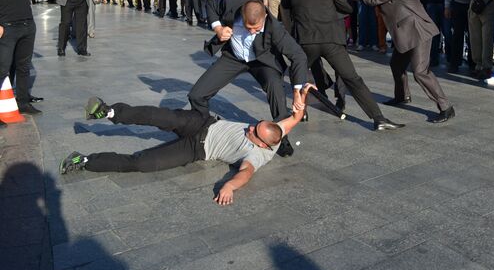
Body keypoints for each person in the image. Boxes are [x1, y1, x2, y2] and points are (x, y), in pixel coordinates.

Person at [59, 85, 313, 205]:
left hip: (195, 150)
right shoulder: (274, 132)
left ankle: (85, 161)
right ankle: (109, 112)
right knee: (160, 116)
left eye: (252, 131)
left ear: (262, 144)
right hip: (201, 123)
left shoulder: (259, 156)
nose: (248, 126)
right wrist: (302, 99)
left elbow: (245, 173)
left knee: (144, 163)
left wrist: (230, 187)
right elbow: (295, 118)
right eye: (254, 124)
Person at [282, 0, 404, 131]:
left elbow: (284, 7)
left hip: (306, 40)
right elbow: (348, 8)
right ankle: (378, 118)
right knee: (353, 79)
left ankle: (301, 113)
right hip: (332, 39)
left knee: (300, 77)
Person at [336, 0, 455, 123]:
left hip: (417, 31)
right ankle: (402, 97)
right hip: (405, 31)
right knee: (397, 64)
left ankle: (446, 108)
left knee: (420, 72)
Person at [188, 0, 308, 152]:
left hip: (262, 61)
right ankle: (201, 129)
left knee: (275, 86)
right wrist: (218, 29)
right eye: (247, 27)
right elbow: (210, 4)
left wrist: (297, 91)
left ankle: (280, 138)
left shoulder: (275, 27)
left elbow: (298, 55)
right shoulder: (231, 2)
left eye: (256, 29)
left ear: (264, 17)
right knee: (196, 95)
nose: (251, 32)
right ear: (242, 15)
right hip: (233, 58)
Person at [0, 0, 47, 118]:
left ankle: (23, 103)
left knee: (23, 67)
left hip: (27, 24)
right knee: (2, 69)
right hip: (6, 26)